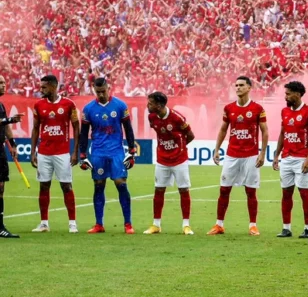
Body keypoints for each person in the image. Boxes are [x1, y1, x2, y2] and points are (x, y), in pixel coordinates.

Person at [207, 77, 268, 235]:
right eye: (236, 85)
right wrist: (216, 149)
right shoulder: (229, 108)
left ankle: (252, 225)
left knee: (250, 191)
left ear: (249, 88)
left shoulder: (257, 108)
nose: (238, 88)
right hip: (232, 155)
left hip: (251, 155)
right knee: (224, 189)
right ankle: (219, 224)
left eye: (241, 85)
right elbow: (223, 129)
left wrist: (262, 153)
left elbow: (265, 131)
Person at [78, 77, 137, 234]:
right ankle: (99, 224)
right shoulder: (88, 109)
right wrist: (82, 154)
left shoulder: (119, 105)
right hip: (97, 152)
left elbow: (128, 128)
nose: (101, 94)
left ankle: (128, 224)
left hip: (116, 151)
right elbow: (83, 133)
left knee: (121, 184)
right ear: (94, 91)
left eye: (103, 91)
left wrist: (132, 150)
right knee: (98, 186)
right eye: (98, 92)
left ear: (108, 88)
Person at [30, 75, 80, 233]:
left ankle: (72, 223)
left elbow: (76, 127)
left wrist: (75, 151)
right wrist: (33, 152)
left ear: (53, 87)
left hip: (62, 153)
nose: (41, 89)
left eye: (44, 87)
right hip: (44, 152)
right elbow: (36, 128)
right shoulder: (38, 105)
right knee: (44, 186)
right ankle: (44, 223)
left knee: (66, 186)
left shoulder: (68, 104)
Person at [144, 92, 195, 236]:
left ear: (159, 105)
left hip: (179, 160)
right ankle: (156, 225)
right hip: (162, 160)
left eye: (150, 103)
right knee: (158, 190)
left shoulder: (177, 118)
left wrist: (178, 148)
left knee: (183, 190)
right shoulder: (152, 117)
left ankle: (186, 225)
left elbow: (190, 136)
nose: (148, 105)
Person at [272, 81, 308, 239]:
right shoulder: (284, 111)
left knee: (304, 193)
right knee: (286, 193)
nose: (286, 96)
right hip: (286, 158)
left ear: (297, 94)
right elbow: (282, 133)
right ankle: (286, 228)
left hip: (301, 158)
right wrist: (277, 155)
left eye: (288, 93)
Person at [0, 75, 22, 238]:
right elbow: (4, 122)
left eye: (3, 82)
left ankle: (0, 226)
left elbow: (5, 126)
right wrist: (9, 120)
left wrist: (13, 144)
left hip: (0, 149)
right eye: (0, 82)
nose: (3, 85)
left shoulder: (1, 104)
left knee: (1, 188)